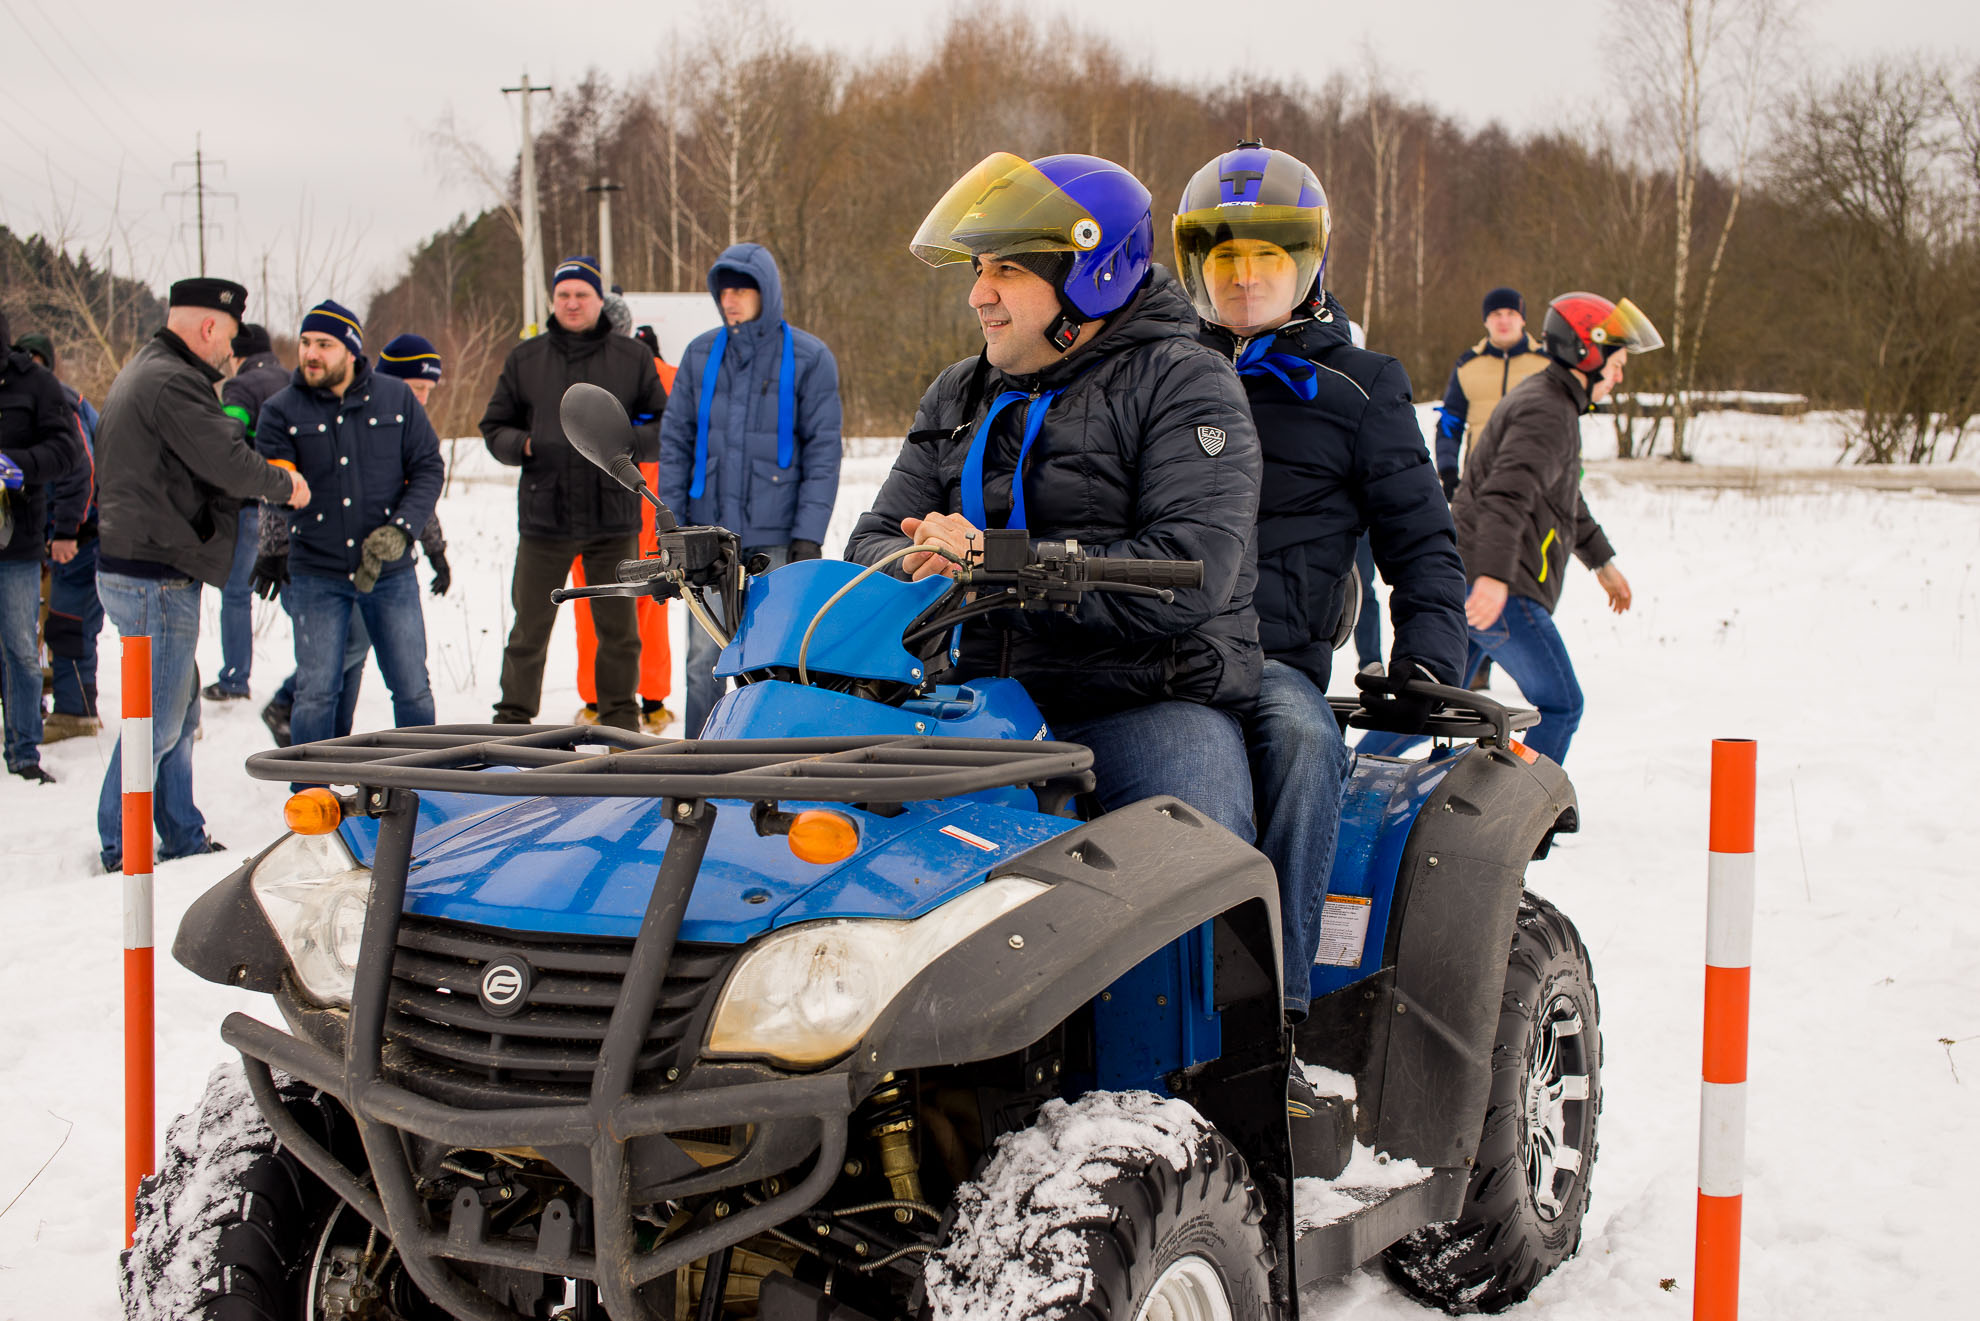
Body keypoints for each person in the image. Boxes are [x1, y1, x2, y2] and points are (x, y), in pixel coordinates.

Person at [846, 149, 1261, 842]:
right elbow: (873, 536)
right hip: (974, 704)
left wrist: (1001, 562)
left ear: (1091, 277)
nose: (980, 294)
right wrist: (918, 556)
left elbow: (1191, 568)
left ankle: (1220, 949)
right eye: (980, 270)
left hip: (1142, 704)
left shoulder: (1188, 382)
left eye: (1006, 269)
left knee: (1199, 846)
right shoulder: (959, 392)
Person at [1175, 141, 1468, 1022]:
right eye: (1226, 258)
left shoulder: (1361, 386)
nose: (1245, 279)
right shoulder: (1158, 374)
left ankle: (1280, 1005)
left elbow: (1421, 539)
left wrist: (1425, 653)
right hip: (1149, 645)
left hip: (1271, 658)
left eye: (1267, 257)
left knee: (1304, 742)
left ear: (1309, 263)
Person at [1358, 292, 1659, 766]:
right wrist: (1495, 579)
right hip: (1503, 585)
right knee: (1561, 704)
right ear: (1588, 354)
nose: (1620, 375)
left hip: (1484, 574)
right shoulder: (1548, 411)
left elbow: (1563, 500)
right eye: (1618, 363)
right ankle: (1518, 825)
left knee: (1436, 704)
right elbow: (1506, 496)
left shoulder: (1553, 403)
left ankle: (1345, 781)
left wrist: (1601, 561)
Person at [92, 278, 309, 868]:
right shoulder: (174, 382)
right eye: (229, 337)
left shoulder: (151, 368)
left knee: (180, 712)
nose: (230, 353)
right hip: (152, 574)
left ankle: (181, 832)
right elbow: (229, 463)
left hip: (144, 566)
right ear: (209, 327)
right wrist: (284, 483)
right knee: (158, 721)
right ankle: (123, 842)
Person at [660, 242, 843, 738]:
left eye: (744, 289)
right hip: (706, 537)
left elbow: (824, 451)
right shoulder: (699, 355)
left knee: (775, 657)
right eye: (725, 291)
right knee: (703, 660)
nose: (732, 300)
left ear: (769, 292)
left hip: (777, 536)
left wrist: (809, 531)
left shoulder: (809, 357)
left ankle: (770, 756)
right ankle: (696, 760)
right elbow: (675, 443)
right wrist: (671, 525)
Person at [481, 255, 667, 732]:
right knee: (529, 628)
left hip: (612, 517)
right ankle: (512, 722)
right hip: (546, 517)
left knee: (619, 632)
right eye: (563, 294)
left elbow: (664, 424)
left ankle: (620, 725)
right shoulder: (526, 358)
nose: (572, 302)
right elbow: (494, 426)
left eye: (581, 294)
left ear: (599, 300)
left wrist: (625, 448)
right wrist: (524, 443)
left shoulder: (632, 357)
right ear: (553, 301)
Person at [255, 300, 443, 751]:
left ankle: (427, 782)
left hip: (391, 575)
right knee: (318, 690)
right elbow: (273, 483)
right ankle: (313, 793)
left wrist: (402, 530)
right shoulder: (281, 411)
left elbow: (427, 469)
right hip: (317, 573)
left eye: (324, 344)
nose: (311, 353)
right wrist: (274, 545)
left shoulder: (396, 399)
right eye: (305, 343)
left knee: (412, 685)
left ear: (352, 351)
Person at [569, 315, 675, 733]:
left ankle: (597, 700)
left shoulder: (597, 379)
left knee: (597, 603)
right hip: (653, 501)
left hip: (608, 507)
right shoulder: (668, 375)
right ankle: (653, 701)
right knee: (653, 603)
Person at [0, 315, 88, 782]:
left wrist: (17, 466)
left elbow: (68, 450)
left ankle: (23, 751)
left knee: (18, 647)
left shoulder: (35, 383)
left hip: (15, 540)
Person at [15, 332, 104, 743]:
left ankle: (76, 712)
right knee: (66, 619)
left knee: (69, 620)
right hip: (62, 531)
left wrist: (68, 531)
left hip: (87, 532)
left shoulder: (56, 402)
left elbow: (79, 470)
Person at [203, 322, 288, 701]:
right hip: (297, 505)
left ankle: (235, 678)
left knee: (237, 593)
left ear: (238, 354)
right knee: (296, 587)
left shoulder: (240, 386)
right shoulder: (292, 379)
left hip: (253, 505)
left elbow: (227, 438)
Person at [1434, 286, 1548, 500]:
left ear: (1522, 319)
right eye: (1496, 314)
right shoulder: (1467, 366)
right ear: (1486, 320)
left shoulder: (1546, 364)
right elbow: (1450, 421)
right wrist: (1448, 471)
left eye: (1511, 314)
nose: (1503, 321)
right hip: (1480, 480)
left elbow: (1563, 421)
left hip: (1535, 480)